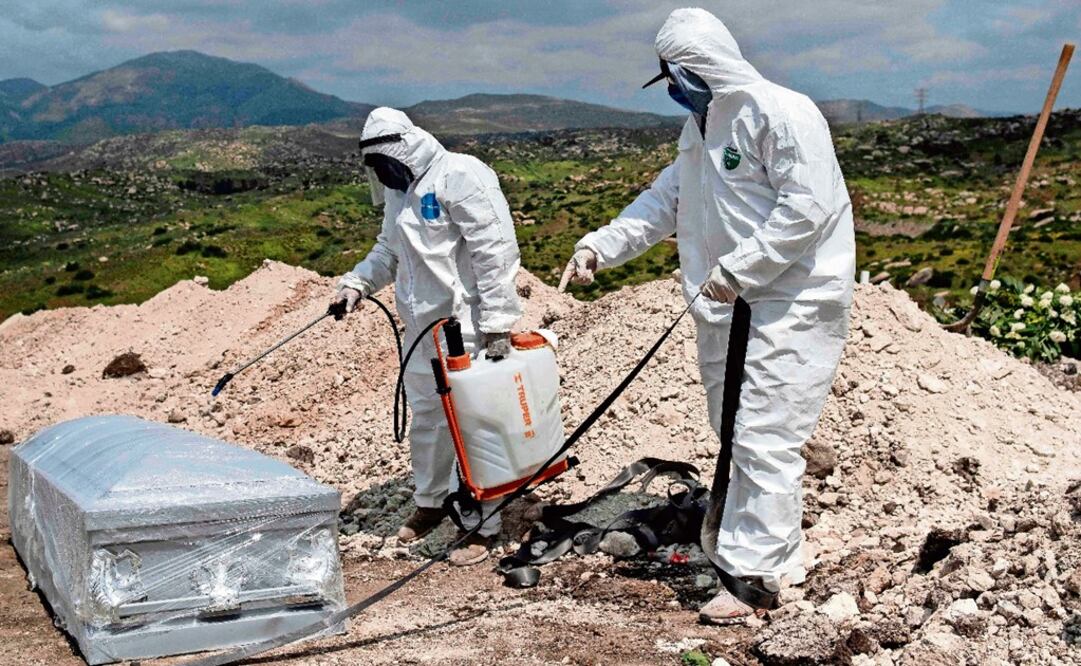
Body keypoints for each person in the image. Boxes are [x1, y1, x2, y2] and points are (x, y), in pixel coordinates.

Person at [559, 8, 854, 623]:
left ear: (701, 66)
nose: (673, 88)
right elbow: (664, 201)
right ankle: (771, 547)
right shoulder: (700, 130)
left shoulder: (782, 113)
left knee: (766, 435)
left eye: (677, 75)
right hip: (725, 304)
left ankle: (757, 577)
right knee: (733, 432)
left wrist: (741, 269)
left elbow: (809, 209)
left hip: (789, 302)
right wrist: (599, 246)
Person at [334, 107, 522, 566]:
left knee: (476, 424)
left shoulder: (461, 175)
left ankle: (485, 521)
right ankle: (431, 502)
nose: (383, 177)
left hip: (469, 330)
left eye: (385, 166)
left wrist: (498, 323)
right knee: (427, 419)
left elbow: (495, 249)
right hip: (420, 332)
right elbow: (388, 252)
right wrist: (356, 284)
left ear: (402, 149)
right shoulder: (402, 194)